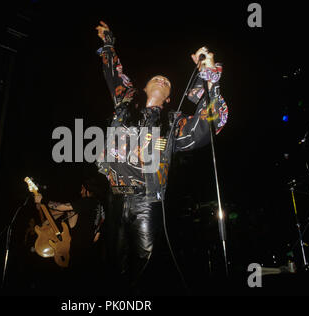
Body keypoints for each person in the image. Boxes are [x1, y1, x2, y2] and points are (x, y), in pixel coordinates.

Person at [94, 21, 229, 293]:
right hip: (114, 197)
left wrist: (208, 76)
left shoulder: (174, 123)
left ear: (169, 98)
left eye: (167, 82)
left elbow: (213, 122)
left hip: (147, 201)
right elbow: (113, 74)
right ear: (143, 88)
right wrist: (108, 44)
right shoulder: (125, 102)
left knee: (145, 270)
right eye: (156, 78)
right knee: (112, 267)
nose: (162, 80)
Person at [32, 177, 105, 293]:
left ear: (87, 190)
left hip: (77, 252)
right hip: (91, 254)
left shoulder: (88, 201)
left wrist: (43, 200)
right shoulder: (101, 208)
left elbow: (63, 207)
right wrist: (40, 206)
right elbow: (97, 237)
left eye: (82, 189)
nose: (80, 192)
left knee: (70, 285)